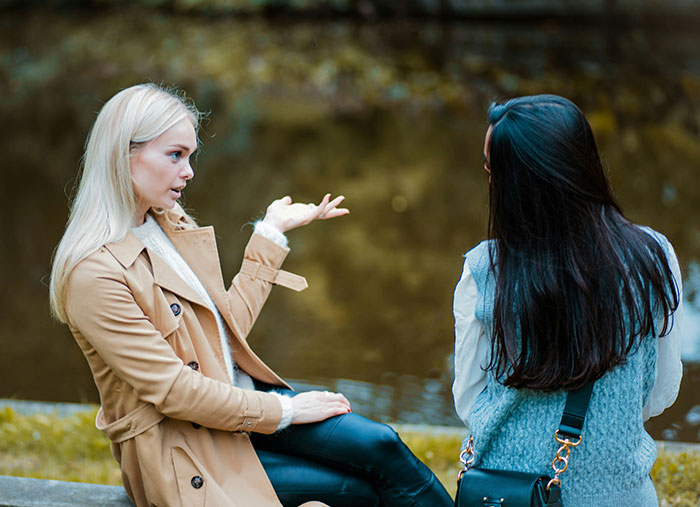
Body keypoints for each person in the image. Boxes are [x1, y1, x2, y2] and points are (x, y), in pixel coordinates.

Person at [49, 83, 453, 507]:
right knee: (357, 491)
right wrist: (287, 412)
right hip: (188, 450)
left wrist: (271, 233)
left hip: (237, 413)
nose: (188, 171)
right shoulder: (94, 273)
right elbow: (174, 391)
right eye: (175, 155)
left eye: (189, 156)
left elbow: (223, 333)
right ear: (125, 155)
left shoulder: (168, 223)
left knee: (380, 445)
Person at [452, 94, 683, 506]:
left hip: (509, 497)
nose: (488, 182)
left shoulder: (485, 269)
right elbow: (660, 392)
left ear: (521, 185)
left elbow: (470, 402)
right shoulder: (655, 256)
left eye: (493, 171)